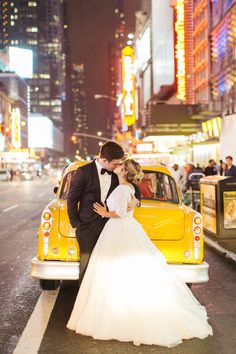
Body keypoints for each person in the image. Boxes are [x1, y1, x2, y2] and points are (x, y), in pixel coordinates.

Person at [67, 159, 213, 347]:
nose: (116, 166)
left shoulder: (123, 187)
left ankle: (119, 313)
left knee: (113, 269)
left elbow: (122, 209)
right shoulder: (119, 183)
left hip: (117, 228)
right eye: (116, 163)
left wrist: (107, 211)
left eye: (120, 165)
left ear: (124, 171)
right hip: (119, 228)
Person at [67, 141, 140, 287]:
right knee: (86, 265)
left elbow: (134, 189)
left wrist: (137, 201)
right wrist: (76, 224)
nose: (118, 166)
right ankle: (85, 299)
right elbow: (72, 198)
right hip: (87, 227)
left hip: (110, 228)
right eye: (115, 163)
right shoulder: (83, 171)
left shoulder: (117, 173)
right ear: (104, 160)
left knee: (108, 265)